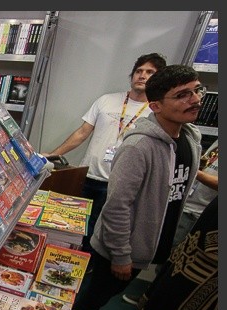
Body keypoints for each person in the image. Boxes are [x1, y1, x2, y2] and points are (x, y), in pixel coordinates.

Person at [70, 64, 204, 310]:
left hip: (150, 242)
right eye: (182, 95)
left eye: (197, 91)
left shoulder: (190, 137)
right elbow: (117, 205)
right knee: (92, 299)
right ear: (156, 106)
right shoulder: (139, 146)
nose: (194, 99)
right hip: (121, 248)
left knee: (100, 298)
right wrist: (121, 254)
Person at [45, 53, 167, 254]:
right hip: (87, 176)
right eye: (139, 71)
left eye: (150, 72)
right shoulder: (107, 100)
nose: (142, 75)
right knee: (73, 228)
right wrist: (53, 155)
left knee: (100, 235)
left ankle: (89, 266)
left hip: (118, 185)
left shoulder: (156, 112)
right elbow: (82, 133)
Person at [122, 139, 218, 305]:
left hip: (199, 214)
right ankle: (151, 298)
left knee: (175, 262)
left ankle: (153, 302)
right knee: (168, 256)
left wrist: (194, 172)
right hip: (186, 205)